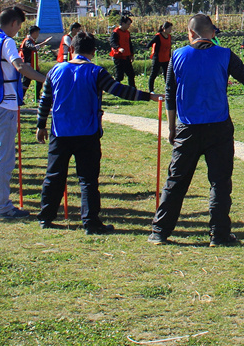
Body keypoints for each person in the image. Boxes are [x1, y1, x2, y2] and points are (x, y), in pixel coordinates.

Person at [149, 15, 244, 245]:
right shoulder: (225, 55)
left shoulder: (177, 56)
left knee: (176, 181)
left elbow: (170, 94)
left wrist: (171, 127)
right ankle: (219, 234)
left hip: (187, 127)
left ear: (190, 33)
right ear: (213, 33)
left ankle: (159, 232)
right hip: (219, 127)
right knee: (220, 182)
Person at [36, 32, 155, 234]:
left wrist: (41, 125)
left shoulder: (55, 71)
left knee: (54, 176)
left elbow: (45, 100)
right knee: (88, 179)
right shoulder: (96, 72)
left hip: (60, 132)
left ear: (71, 49)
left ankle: (46, 217)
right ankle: (90, 222)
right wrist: (148, 96)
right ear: (93, 51)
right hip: (87, 132)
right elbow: (119, 90)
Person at [0, 6, 48, 219]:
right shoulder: (6, 42)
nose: (18, 31)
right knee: (2, 160)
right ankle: (3, 207)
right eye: (19, 26)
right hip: (4, 105)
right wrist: (47, 80)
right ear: (13, 23)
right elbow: (20, 67)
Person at [109, 16, 136, 89]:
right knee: (119, 76)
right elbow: (112, 42)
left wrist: (131, 54)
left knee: (131, 74)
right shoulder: (116, 32)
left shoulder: (127, 33)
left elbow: (129, 44)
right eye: (128, 24)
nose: (129, 26)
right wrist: (119, 48)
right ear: (123, 23)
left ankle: (132, 89)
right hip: (118, 57)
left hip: (126, 56)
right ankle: (115, 88)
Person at [20, 25, 44, 103]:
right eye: (37, 33)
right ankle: (20, 98)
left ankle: (36, 97)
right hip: (28, 65)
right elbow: (32, 47)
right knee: (26, 83)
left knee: (39, 80)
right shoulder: (28, 41)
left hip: (33, 65)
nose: (38, 35)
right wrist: (41, 44)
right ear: (34, 33)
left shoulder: (31, 40)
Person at [148, 22, 173, 91]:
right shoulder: (158, 36)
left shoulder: (169, 37)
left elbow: (169, 48)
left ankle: (168, 88)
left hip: (166, 58)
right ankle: (151, 90)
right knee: (154, 74)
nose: (170, 30)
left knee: (167, 75)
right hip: (158, 58)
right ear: (164, 28)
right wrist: (147, 47)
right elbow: (150, 43)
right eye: (169, 29)